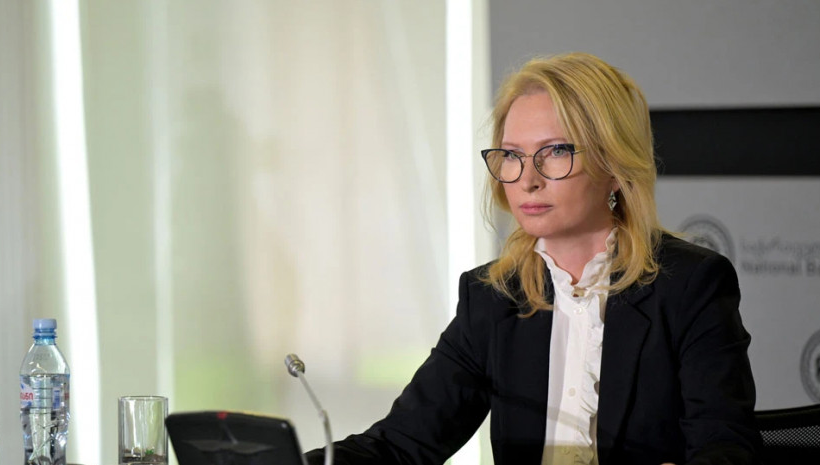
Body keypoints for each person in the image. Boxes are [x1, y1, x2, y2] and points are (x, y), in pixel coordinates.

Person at [306, 52, 762, 465]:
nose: (527, 179)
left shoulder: (691, 286)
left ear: (614, 165)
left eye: (555, 152)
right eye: (512, 155)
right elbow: (400, 445)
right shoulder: (491, 297)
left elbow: (726, 449)